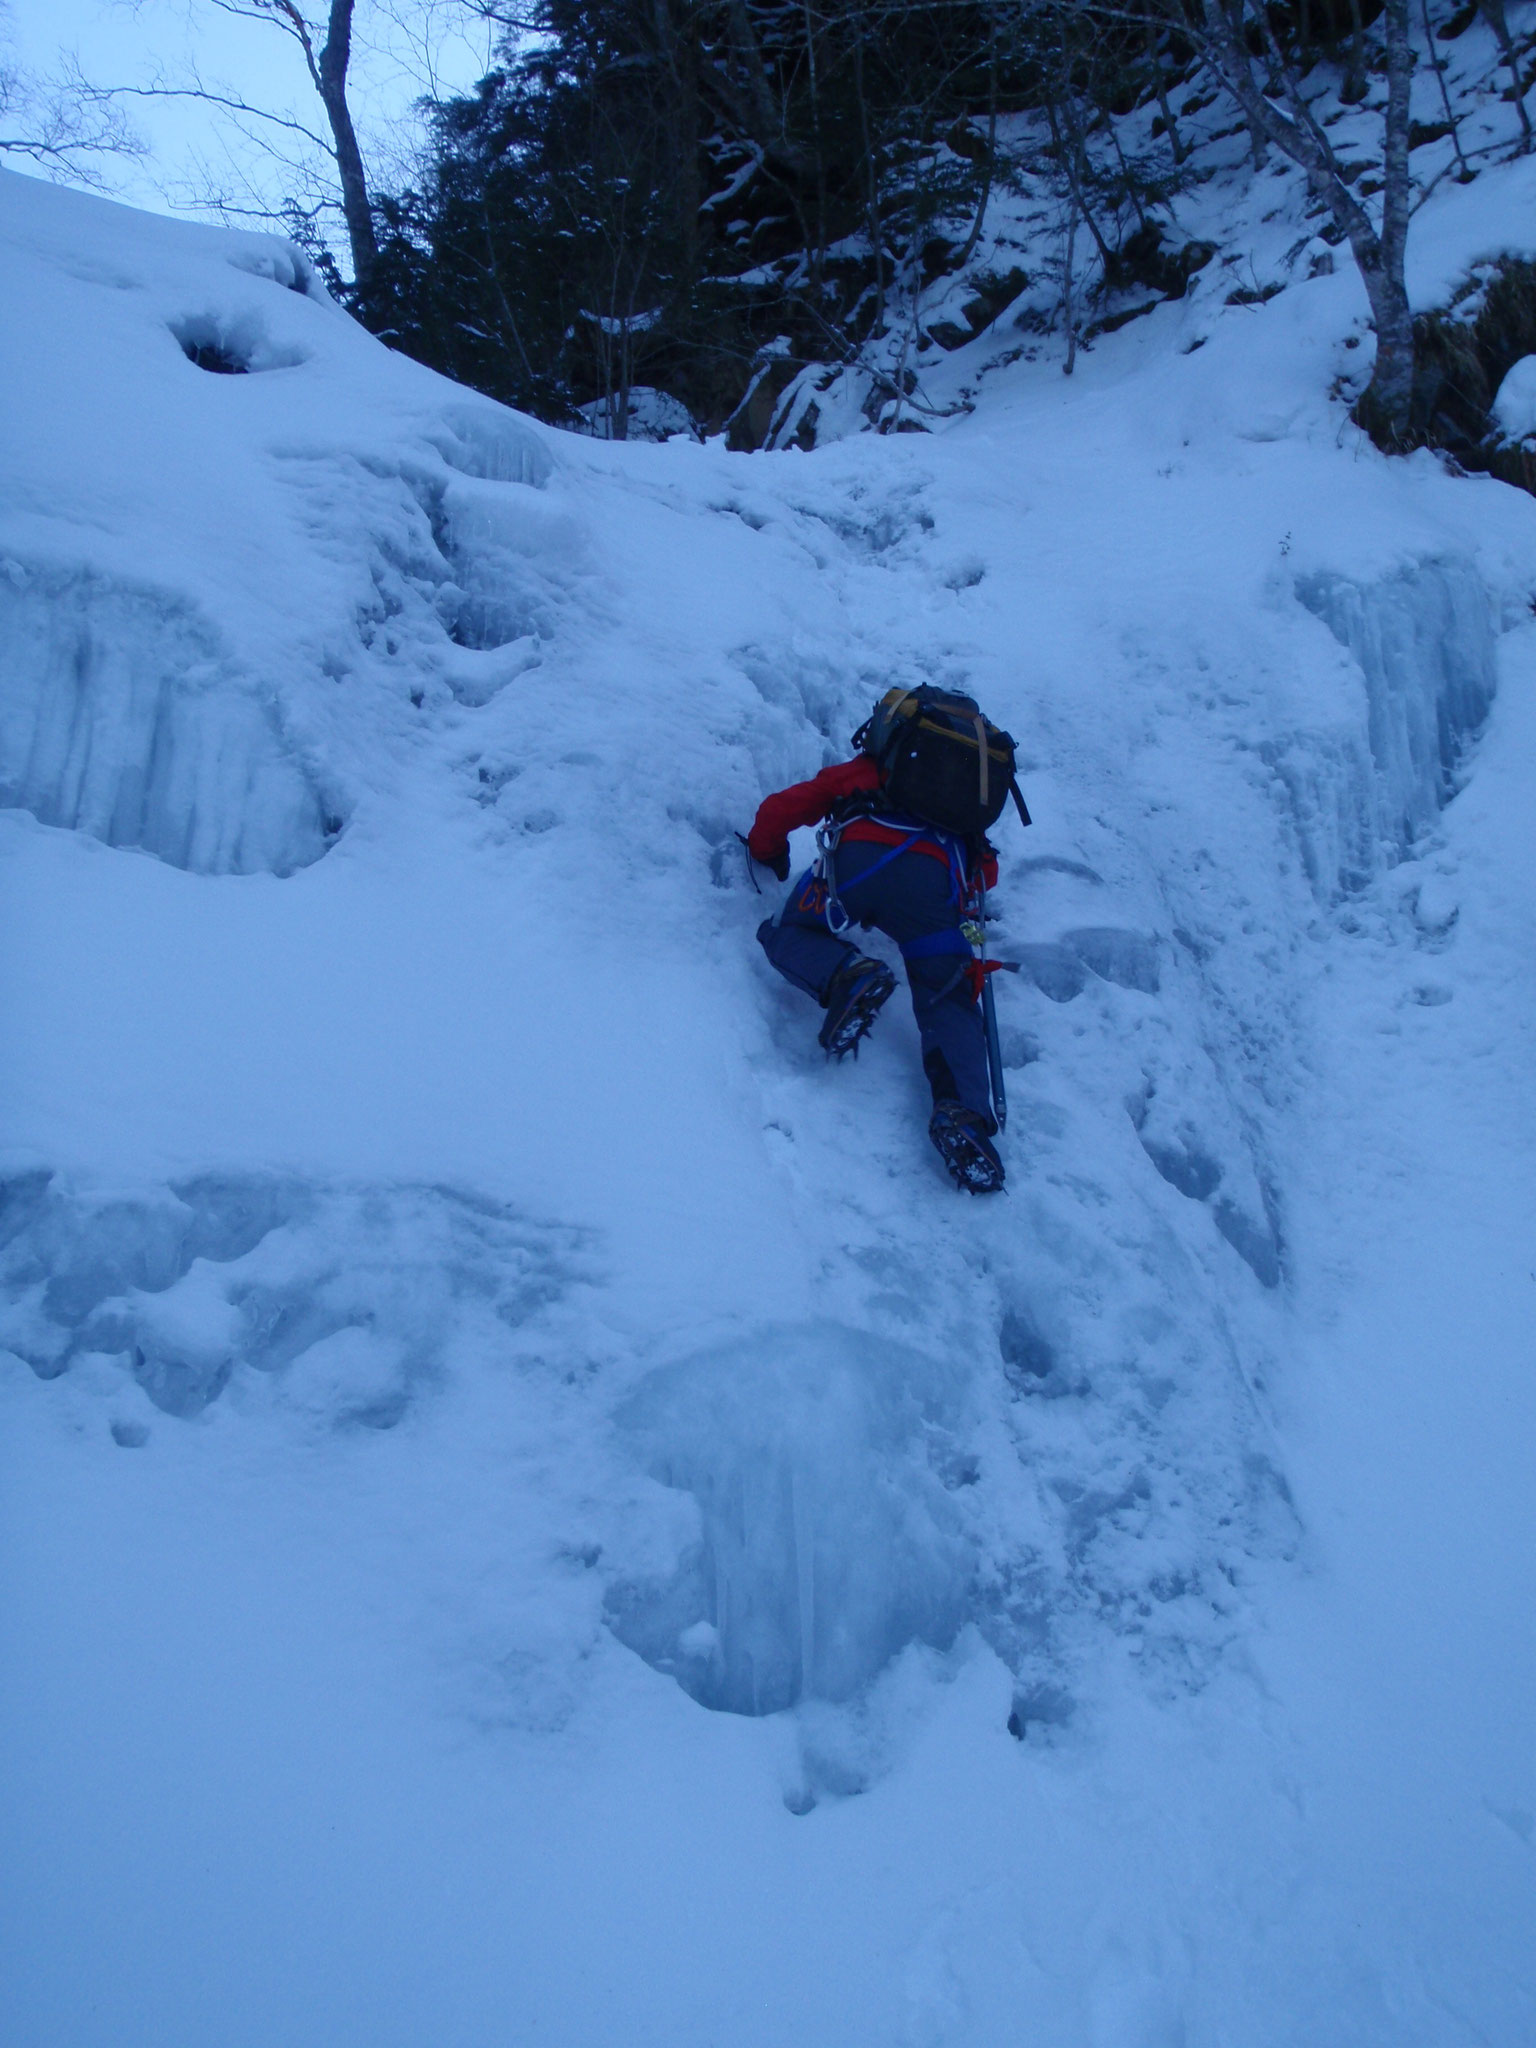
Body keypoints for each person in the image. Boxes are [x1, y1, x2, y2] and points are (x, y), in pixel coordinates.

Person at [745, 741, 1006, 1194]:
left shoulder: (869, 771)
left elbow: (784, 807)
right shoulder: (965, 812)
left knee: (787, 932)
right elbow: (985, 876)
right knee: (948, 1000)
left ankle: (848, 972)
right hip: (936, 885)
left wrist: (767, 850)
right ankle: (962, 1115)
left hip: (859, 866)